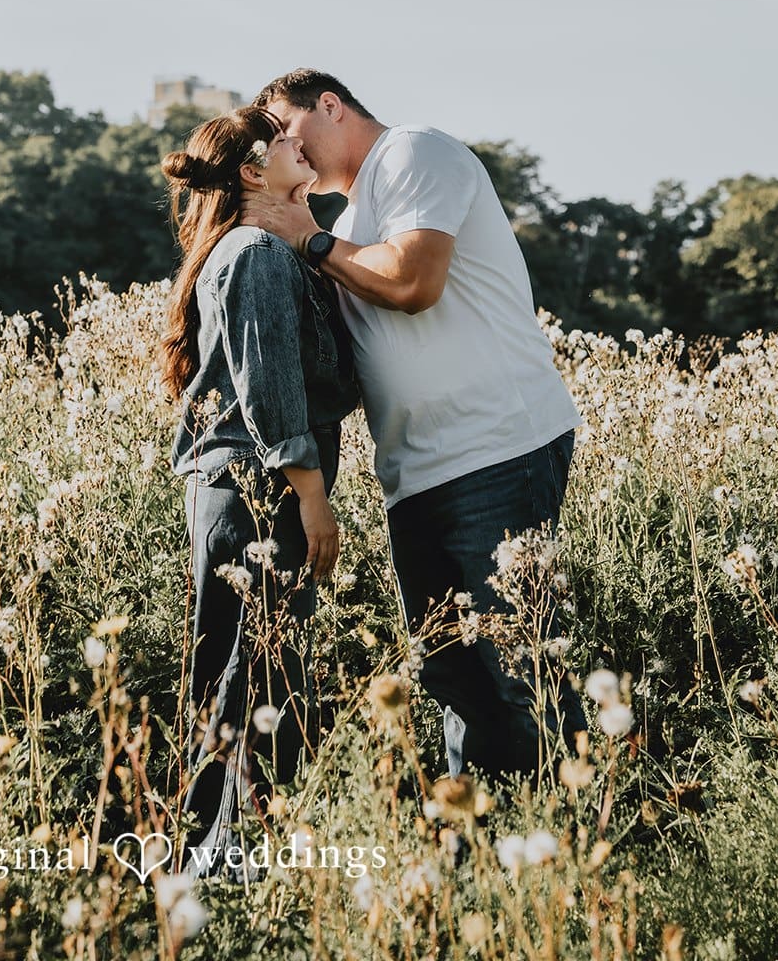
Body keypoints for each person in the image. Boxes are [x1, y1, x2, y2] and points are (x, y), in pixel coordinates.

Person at [243, 68, 587, 781]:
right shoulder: (346, 226)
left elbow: (411, 282)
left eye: (286, 128)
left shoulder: (413, 152)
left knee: (521, 664)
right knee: (453, 677)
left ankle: (578, 824)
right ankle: (486, 831)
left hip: (496, 448)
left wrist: (309, 241)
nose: (286, 146)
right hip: (414, 475)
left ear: (330, 105)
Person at [160, 105, 359, 875]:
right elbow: (267, 387)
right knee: (255, 674)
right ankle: (226, 863)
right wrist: (311, 495)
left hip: (244, 486)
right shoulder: (255, 252)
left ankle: (214, 858)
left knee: (238, 669)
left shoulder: (255, 247)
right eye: (280, 140)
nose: (297, 142)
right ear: (250, 171)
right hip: (259, 489)